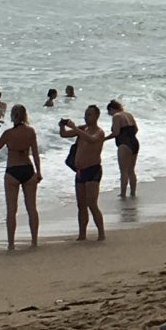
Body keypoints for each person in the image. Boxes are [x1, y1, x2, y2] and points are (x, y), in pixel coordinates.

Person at [0, 103, 42, 250]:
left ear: (12, 116)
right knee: (31, 208)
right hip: (28, 169)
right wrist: (39, 171)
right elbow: (34, 153)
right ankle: (34, 241)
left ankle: (11, 244)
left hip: (12, 171)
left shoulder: (9, 134)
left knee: (11, 210)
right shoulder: (30, 131)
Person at [60, 105, 106, 241]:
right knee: (81, 205)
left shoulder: (99, 132)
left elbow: (91, 139)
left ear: (96, 116)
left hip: (93, 169)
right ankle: (82, 234)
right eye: (86, 114)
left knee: (92, 203)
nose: (87, 117)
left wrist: (74, 128)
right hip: (80, 171)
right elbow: (64, 134)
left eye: (90, 115)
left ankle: (101, 233)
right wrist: (62, 126)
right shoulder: (82, 129)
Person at [106, 99, 140, 199]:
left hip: (124, 144)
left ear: (112, 109)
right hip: (134, 142)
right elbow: (136, 129)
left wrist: (103, 139)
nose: (110, 115)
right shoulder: (129, 114)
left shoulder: (117, 116)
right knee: (131, 170)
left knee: (123, 170)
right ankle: (133, 192)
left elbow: (116, 133)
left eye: (109, 112)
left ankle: (123, 193)